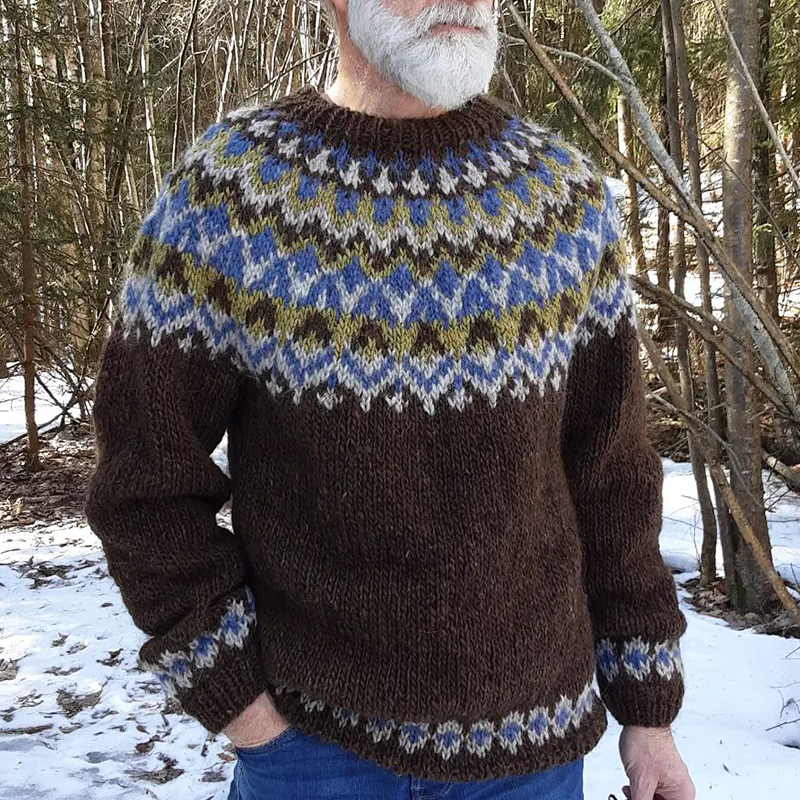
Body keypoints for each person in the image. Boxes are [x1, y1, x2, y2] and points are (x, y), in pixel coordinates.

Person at [82, 1, 696, 798]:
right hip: (312, 748)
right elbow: (144, 479)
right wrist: (240, 705)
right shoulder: (232, 195)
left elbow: (610, 477)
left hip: (533, 751)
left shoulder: (560, 202)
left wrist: (647, 707)